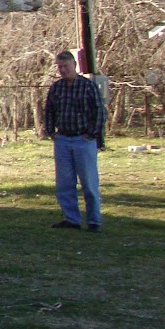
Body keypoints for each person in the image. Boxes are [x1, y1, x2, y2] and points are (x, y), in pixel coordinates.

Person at [41, 50, 106, 232]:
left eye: (65, 66)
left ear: (74, 66)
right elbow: (49, 111)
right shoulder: (56, 88)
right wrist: (52, 132)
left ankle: (94, 221)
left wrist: (92, 134)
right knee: (64, 183)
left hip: (83, 139)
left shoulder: (88, 86)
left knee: (89, 183)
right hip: (63, 139)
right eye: (59, 67)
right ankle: (72, 219)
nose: (62, 70)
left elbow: (99, 112)